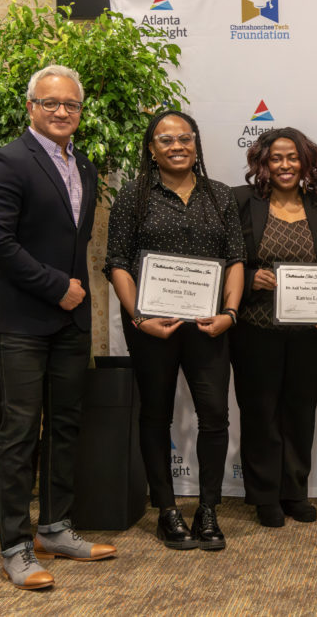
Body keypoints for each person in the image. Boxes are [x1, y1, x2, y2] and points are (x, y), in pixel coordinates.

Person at [0, 65, 115, 589]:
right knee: (18, 433)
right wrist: (53, 285)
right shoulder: (7, 161)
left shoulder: (84, 164)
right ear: (31, 106)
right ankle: (14, 545)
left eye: (71, 105)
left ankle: (54, 528)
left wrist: (69, 295)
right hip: (24, 322)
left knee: (64, 425)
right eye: (50, 102)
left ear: (80, 112)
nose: (61, 112)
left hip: (70, 321)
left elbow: (67, 241)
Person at [105, 110, 245, 551]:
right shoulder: (133, 196)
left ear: (196, 144)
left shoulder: (219, 195)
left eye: (184, 138)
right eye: (165, 140)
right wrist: (139, 317)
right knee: (155, 414)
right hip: (152, 328)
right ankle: (167, 511)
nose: (177, 146)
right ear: (151, 149)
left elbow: (236, 260)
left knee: (214, 416)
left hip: (209, 326)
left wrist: (230, 313)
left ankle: (207, 509)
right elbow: (118, 263)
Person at [230, 127, 317, 527]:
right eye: (276, 158)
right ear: (263, 163)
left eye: (292, 158)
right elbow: (225, 259)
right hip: (254, 328)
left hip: (308, 332)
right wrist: (250, 277)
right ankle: (264, 495)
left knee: (300, 412)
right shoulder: (242, 201)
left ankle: (294, 491)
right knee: (260, 412)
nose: (284, 165)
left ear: (306, 163)